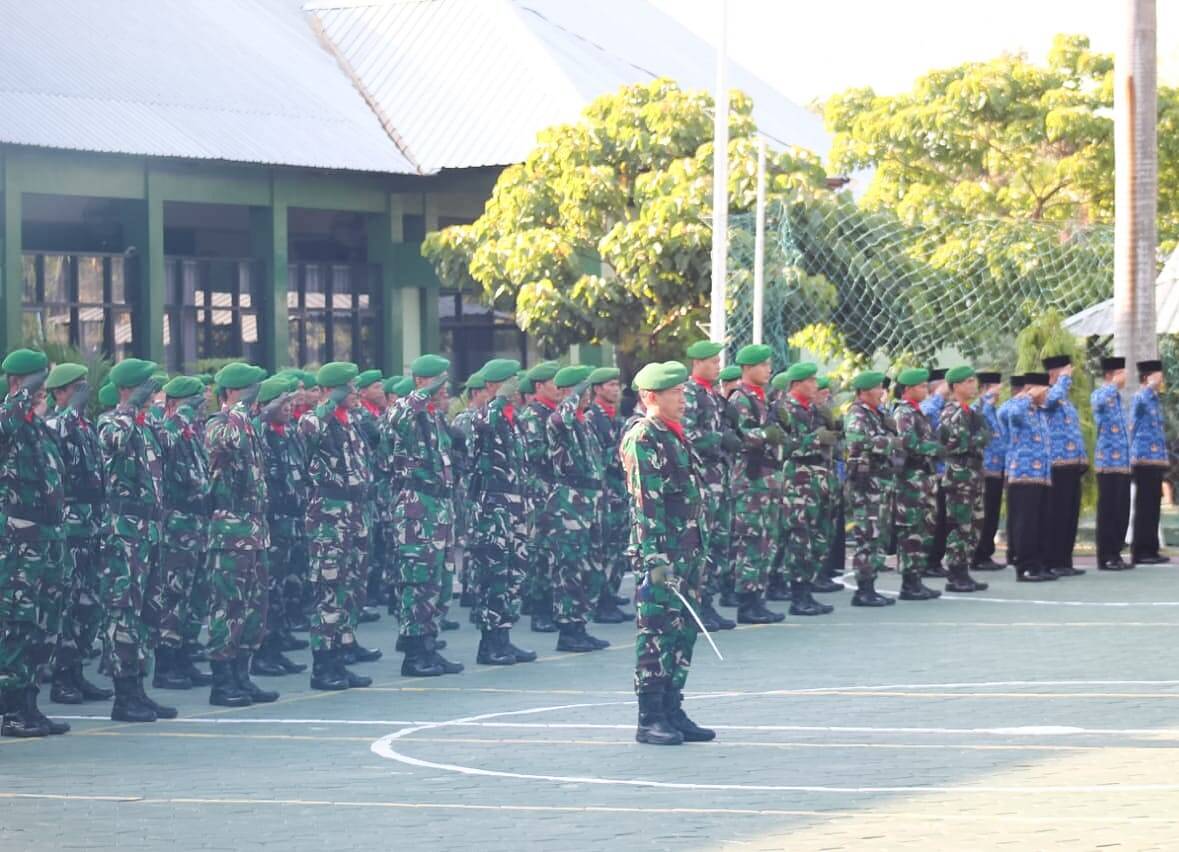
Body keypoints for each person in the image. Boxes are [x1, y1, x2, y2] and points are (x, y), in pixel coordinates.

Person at [620, 360, 714, 746]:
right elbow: (645, 502)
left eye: (682, 391)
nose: (683, 399)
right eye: (674, 393)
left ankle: (673, 709)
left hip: (687, 549)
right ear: (649, 397)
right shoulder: (644, 437)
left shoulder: (674, 435)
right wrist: (654, 558)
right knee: (656, 632)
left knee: (683, 632)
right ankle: (650, 717)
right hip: (664, 554)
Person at [98, 357, 175, 723]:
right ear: (128, 388)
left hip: (149, 531)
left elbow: (172, 446)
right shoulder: (111, 421)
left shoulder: (146, 427)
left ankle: (139, 689)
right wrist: (130, 406)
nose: (151, 392)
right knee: (123, 612)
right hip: (124, 533)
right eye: (145, 386)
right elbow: (112, 440)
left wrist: (149, 413)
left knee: (147, 613)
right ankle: (123, 695)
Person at [0, 350, 70, 737]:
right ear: (18, 383)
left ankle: (29, 703)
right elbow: (9, 417)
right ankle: (12, 709)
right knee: (18, 622)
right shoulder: (8, 420)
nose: (43, 390)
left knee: (44, 624)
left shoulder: (38, 428)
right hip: (19, 540)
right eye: (38, 383)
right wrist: (21, 390)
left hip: (47, 537)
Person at [382, 355, 462, 677]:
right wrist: (424, 391)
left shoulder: (434, 418)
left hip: (438, 507)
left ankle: (429, 646)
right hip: (416, 508)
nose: (444, 389)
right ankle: (414, 654)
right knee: (417, 581)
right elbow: (397, 417)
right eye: (438, 382)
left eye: (445, 382)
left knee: (439, 582)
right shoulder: (403, 411)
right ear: (420, 382)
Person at [203, 363, 276, 707]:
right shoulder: (218, 424)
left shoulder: (249, 424)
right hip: (229, 531)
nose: (254, 397)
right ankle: (222, 682)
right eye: (248, 390)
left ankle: (241, 675)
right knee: (228, 606)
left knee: (253, 608)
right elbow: (230, 441)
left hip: (255, 530)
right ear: (232, 392)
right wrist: (239, 408)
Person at [301, 362, 375, 690]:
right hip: (328, 516)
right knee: (328, 590)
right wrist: (330, 401)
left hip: (354, 513)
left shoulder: (350, 422)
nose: (356, 392)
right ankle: (323, 666)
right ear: (332, 390)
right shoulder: (314, 420)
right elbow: (312, 428)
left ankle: (341, 657)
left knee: (350, 587)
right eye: (349, 387)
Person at [44, 363, 113, 707]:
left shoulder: (86, 428)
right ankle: (61, 679)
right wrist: (70, 410)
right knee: (68, 605)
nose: (83, 393)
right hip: (69, 526)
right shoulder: (54, 425)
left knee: (90, 605)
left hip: (92, 524)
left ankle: (77, 672)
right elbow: (57, 438)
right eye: (76, 388)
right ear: (59, 393)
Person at [147, 376, 213, 691]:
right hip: (176, 526)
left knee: (195, 597)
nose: (200, 407)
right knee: (173, 596)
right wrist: (181, 414)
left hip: (197, 524)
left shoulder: (191, 434)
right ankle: (166, 664)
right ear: (174, 403)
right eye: (193, 401)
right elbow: (165, 444)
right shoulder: (167, 430)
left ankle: (185, 655)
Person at [467, 359, 535, 665]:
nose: (516, 388)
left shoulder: (513, 420)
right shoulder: (482, 416)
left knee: (513, 574)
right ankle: (489, 643)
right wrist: (497, 400)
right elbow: (482, 428)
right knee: (493, 575)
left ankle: (504, 636)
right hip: (492, 508)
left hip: (515, 506)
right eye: (510, 382)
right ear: (493, 385)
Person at [542, 365, 611, 653]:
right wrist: (577, 390)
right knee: (569, 567)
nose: (586, 395)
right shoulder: (559, 421)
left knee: (591, 567)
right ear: (565, 392)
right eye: (581, 390)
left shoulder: (585, 423)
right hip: (570, 503)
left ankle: (581, 624)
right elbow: (562, 416)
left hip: (590, 501)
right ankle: (568, 630)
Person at [252, 376, 308, 677]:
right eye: (282, 402)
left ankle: (276, 646)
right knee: (267, 590)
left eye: (290, 402)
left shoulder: (289, 434)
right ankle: (263, 653)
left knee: (282, 587)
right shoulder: (260, 433)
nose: (289, 407)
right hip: (270, 523)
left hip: (289, 521)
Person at [680, 341, 737, 630]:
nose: (718, 366)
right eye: (713, 362)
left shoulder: (712, 395)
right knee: (701, 545)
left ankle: (708, 603)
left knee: (718, 543)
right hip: (702, 479)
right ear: (698, 363)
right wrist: (718, 439)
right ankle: (695, 605)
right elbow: (686, 434)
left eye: (718, 361)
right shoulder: (690, 393)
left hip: (718, 478)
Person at [774, 361, 839, 615]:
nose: (815, 385)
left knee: (821, 537)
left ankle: (809, 589)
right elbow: (784, 447)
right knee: (800, 538)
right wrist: (815, 439)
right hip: (798, 481)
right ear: (797, 384)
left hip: (821, 479)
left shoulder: (815, 410)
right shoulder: (784, 410)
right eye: (810, 381)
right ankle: (798, 595)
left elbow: (834, 439)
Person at [727, 344, 785, 624]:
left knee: (767, 540)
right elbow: (739, 435)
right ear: (748, 368)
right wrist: (766, 434)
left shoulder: (764, 399)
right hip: (751, 479)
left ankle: (758, 597)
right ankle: (747, 601)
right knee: (751, 540)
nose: (768, 369)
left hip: (768, 478)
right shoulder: (740, 399)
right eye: (762, 365)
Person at [843, 371, 899, 607]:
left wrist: (890, 433)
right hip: (866, 485)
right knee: (867, 536)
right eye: (877, 388)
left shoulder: (877, 414)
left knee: (878, 536)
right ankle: (863, 589)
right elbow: (858, 441)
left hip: (880, 483)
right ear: (864, 391)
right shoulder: (857, 413)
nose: (881, 392)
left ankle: (871, 586)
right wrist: (890, 441)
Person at [889, 367, 943, 600]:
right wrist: (936, 448)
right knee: (911, 530)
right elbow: (908, 443)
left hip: (923, 478)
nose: (925, 389)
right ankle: (909, 583)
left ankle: (917, 578)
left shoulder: (917, 412)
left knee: (924, 530)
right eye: (921, 386)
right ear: (908, 389)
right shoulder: (904, 413)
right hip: (910, 479)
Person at [584, 367, 631, 624]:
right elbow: (596, 457)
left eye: (617, 384)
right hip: (604, 493)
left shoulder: (616, 418)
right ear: (597, 389)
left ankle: (609, 595)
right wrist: (620, 454)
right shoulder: (592, 418)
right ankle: (600, 601)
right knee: (602, 549)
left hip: (619, 492)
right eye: (610, 385)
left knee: (619, 548)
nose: (616, 389)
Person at [937, 366, 990, 593]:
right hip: (959, 474)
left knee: (974, 525)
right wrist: (979, 438)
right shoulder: (951, 412)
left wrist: (980, 437)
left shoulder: (970, 412)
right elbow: (956, 443)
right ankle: (955, 572)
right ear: (956, 386)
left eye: (973, 381)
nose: (973, 385)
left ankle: (964, 569)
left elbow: (985, 435)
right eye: (968, 381)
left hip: (974, 473)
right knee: (960, 525)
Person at [518, 362, 562, 633]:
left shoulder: (553, 413)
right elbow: (535, 454)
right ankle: (539, 609)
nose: (559, 388)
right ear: (539, 386)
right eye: (554, 383)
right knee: (540, 552)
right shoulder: (533, 415)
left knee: (553, 551)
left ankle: (550, 605)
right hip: (538, 489)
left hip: (553, 489)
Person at [1005, 372, 1055, 582]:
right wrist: (1028, 395)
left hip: (1042, 476)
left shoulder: (1040, 413)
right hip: (1023, 476)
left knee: (1040, 523)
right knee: (1025, 523)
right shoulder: (1019, 409)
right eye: (1044, 391)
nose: (1047, 395)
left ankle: (1038, 564)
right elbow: (1010, 413)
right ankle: (1024, 567)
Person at [1040, 355, 1087, 577]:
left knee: (1070, 514)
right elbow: (1049, 401)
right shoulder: (1047, 394)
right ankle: (1053, 560)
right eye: (1065, 371)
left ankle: (1065, 560)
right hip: (1056, 464)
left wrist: (1082, 457)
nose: (1069, 376)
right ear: (1053, 374)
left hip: (1072, 464)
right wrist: (1063, 380)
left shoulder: (1065, 401)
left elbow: (1074, 432)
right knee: (1057, 514)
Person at [1091, 357, 1133, 571]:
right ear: (1112, 374)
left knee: (1121, 510)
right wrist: (1112, 385)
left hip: (1123, 463)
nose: (1126, 377)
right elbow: (1097, 402)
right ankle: (1106, 556)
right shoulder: (1101, 394)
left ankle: (1116, 553)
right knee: (1108, 510)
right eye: (1122, 373)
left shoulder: (1118, 399)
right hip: (1107, 463)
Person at [1130, 359, 1169, 565]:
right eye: (1158, 374)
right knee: (1144, 506)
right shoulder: (1141, 396)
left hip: (1156, 460)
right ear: (1147, 377)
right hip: (1143, 459)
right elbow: (1135, 413)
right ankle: (1140, 550)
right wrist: (1148, 386)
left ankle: (1151, 549)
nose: (1161, 378)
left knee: (1153, 506)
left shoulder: (1154, 399)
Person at [972, 372, 1006, 571]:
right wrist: (987, 399)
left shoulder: (994, 411)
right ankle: (978, 555)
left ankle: (986, 553)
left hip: (997, 470)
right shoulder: (979, 408)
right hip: (985, 470)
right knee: (983, 514)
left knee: (992, 514)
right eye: (995, 388)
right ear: (985, 389)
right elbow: (979, 420)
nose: (998, 393)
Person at [921, 368, 950, 578]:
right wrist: (939, 396)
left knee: (943, 521)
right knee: (932, 520)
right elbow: (926, 413)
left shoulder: (946, 407)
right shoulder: (927, 406)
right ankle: (928, 561)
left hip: (946, 472)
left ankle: (936, 560)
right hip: (930, 474)